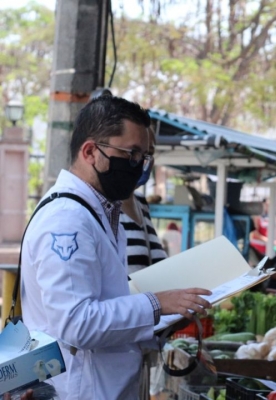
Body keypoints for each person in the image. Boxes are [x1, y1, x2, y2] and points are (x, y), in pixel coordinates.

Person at [20, 95, 212, 400]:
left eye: (145, 155)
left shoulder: (99, 213)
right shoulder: (67, 221)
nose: (139, 166)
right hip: (81, 391)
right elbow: (77, 324)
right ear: (90, 152)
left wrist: (165, 320)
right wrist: (157, 304)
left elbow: (107, 308)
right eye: (132, 154)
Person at [120, 126, 168, 274]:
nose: (142, 161)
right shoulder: (101, 205)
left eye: (150, 153)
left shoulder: (141, 202)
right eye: (134, 152)